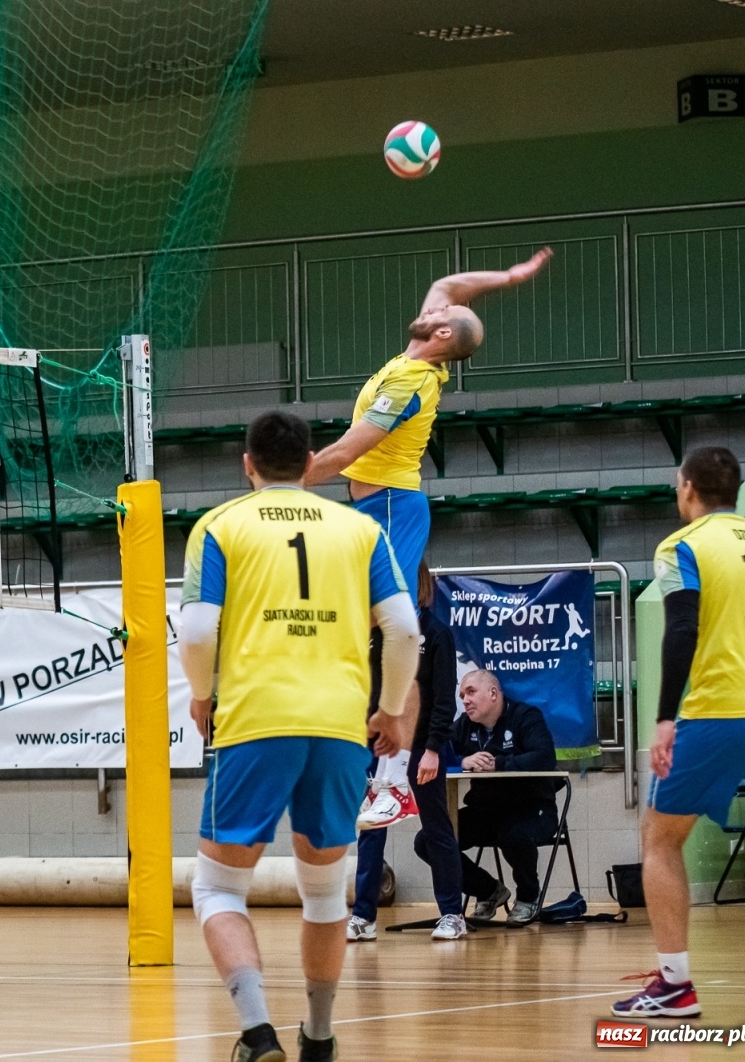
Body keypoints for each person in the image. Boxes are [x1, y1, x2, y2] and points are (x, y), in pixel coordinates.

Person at [179, 411, 419, 1062]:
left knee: (218, 888)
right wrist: (393, 711)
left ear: (247, 463)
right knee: (323, 892)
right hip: (340, 726)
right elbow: (402, 629)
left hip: (257, 720)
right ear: (311, 461)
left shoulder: (221, 527)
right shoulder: (359, 530)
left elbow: (198, 633)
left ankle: (258, 1033)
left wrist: (204, 695)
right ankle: (318, 1036)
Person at [305, 248, 553, 828]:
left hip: (391, 510)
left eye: (443, 310)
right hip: (378, 510)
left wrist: (276, 479)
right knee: (365, 633)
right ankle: (372, 767)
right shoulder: (421, 353)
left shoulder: (411, 383)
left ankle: (393, 784)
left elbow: (345, 454)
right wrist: (508, 278)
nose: (438, 300)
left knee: (398, 634)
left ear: (441, 331)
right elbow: (448, 281)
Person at [614, 446, 745, 1019]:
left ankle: (675, 985)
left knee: (659, 837)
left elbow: (680, 630)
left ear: (689, 487)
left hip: (718, 710)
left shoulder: (682, 546)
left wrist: (665, 717)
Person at [347, 561, 465, 942]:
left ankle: (452, 914)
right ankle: (363, 917)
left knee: (436, 830)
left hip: (421, 749)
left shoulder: (436, 633)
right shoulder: (374, 635)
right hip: (377, 749)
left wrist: (432, 749)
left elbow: (444, 701)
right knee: (370, 830)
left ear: (419, 586)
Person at [449, 669, 558, 926]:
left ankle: (529, 896)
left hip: (531, 810)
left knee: (513, 835)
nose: (465, 700)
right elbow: (438, 755)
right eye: (462, 694)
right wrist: (462, 761)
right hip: (485, 812)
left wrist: (499, 764)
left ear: (494, 693)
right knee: (430, 840)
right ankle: (488, 890)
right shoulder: (464, 725)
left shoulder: (525, 717)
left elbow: (544, 756)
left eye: (471, 692)